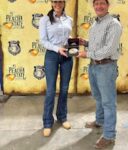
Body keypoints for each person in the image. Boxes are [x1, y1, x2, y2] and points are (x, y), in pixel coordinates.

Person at [78, 0, 122, 149]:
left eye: (102, 3)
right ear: (94, 6)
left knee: (108, 102)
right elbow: (98, 45)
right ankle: (100, 121)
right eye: (96, 4)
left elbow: (108, 50)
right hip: (94, 66)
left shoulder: (114, 24)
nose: (99, 6)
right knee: (98, 97)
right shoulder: (96, 23)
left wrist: (87, 53)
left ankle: (109, 135)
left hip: (106, 67)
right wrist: (86, 43)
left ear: (108, 5)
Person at [39, 0, 73, 137]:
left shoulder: (68, 19)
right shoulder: (45, 20)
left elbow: (66, 36)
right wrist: (57, 49)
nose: (58, 4)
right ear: (52, 3)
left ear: (64, 3)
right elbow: (43, 40)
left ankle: (62, 117)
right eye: (55, 1)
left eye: (60, 1)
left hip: (67, 56)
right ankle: (47, 122)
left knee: (64, 89)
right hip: (52, 56)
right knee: (51, 90)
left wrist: (72, 41)